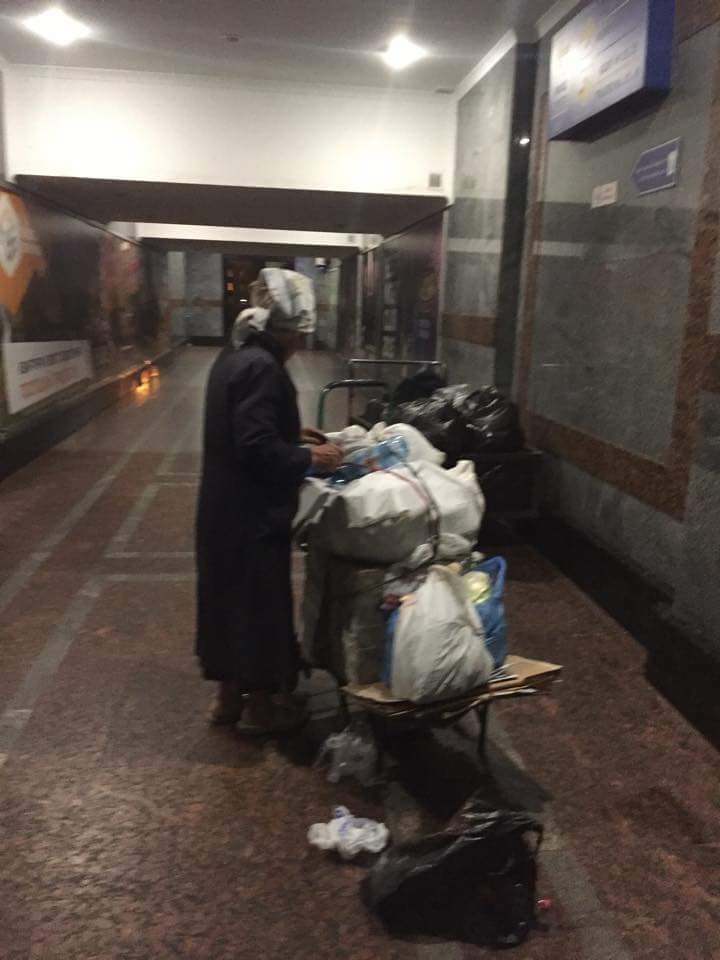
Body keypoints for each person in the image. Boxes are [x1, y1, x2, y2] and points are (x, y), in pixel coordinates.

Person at [195, 302, 343, 734]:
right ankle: (260, 708)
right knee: (258, 604)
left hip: (221, 510)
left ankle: (225, 700)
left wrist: (290, 433)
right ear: (284, 333)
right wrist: (308, 456)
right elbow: (256, 446)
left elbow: (237, 424)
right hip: (251, 514)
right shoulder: (263, 367)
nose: (299, 345)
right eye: (298, 335)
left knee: (223, 601)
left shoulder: (233, 357)